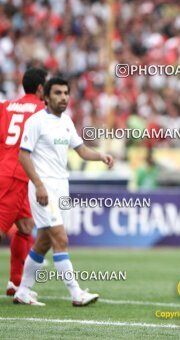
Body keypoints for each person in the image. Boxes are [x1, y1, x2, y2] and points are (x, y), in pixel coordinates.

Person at [14, 77, 114, 306]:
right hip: (44, 189)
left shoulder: (67, 121)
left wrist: (100, 156)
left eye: (66, 93)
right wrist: (38, 184)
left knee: (43, 242)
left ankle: (23, 291)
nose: (63, 97)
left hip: (61, 188)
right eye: (58, 93)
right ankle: (76, 293)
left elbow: (80, 149)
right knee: (61, 238)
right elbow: (23, 155)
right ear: (46, 97)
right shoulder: (36, 121)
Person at [0, 68, 48, 296]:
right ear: (41, 88)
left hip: (14, 174)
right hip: (15, 175)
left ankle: (16, 282)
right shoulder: (42, 111)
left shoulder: (6, 106)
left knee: (26, 226)